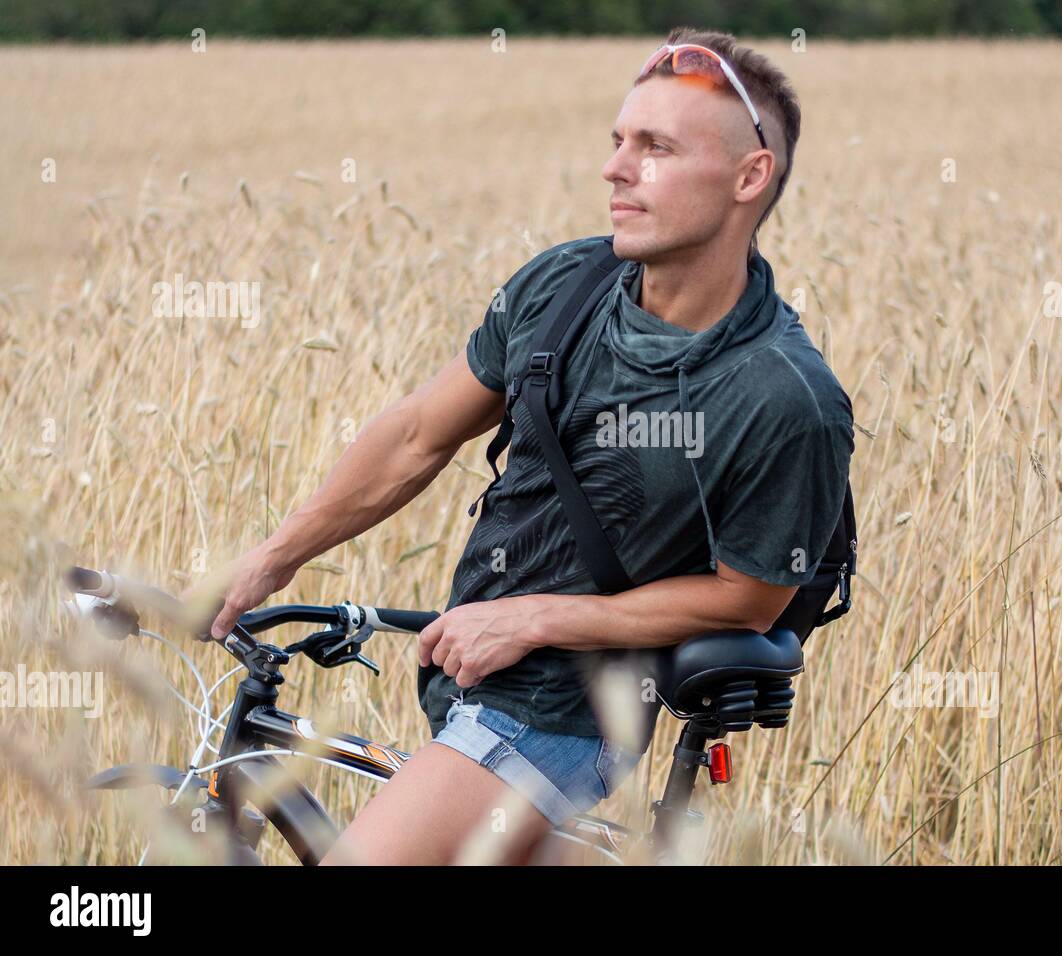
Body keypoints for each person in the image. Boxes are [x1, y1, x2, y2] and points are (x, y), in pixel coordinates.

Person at [200, 27, 854, 865]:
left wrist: (535, 619)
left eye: (656, 147)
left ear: (748, 176)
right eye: (618, 141)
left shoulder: (782, 394)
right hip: (473, 687)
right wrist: (271, 558)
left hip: (566, 717)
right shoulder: (566, 284)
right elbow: (414, 436)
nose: (617, 168)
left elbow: (750, 601)